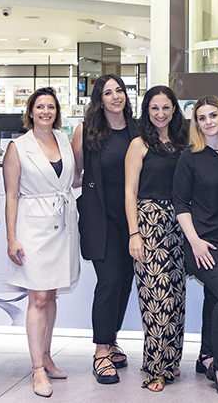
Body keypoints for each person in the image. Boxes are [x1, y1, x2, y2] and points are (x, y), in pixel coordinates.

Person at [3, 87, 79, 398]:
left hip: (62, 226)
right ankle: (37, 369)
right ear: (30, 112)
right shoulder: (18, 147)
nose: (45, 112)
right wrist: (11, 238)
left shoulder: (63, 139)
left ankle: (47, 357)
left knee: (51, 295)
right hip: (32, 229)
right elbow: (11, 195)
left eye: (50, 107)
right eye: (40, 107)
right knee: (38, 298)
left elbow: (72, 179)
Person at [173, 95, 218, 398]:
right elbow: (180, 203)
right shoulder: (191, 157)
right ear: (196, 124)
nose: (208, 122)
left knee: (215, 297)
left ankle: (206, 355)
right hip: (204, 241)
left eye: (213, 115)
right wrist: (195, 242)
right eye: (201, 118)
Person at [72, 74, 139, 385]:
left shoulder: (139, 129)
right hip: (101, 218)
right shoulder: (86, 131)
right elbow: (74, 174)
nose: (116, 97)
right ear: (99, 99)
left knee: (125, 282)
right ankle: (101, 350)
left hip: (134, 219)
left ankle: (111, 340)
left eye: (120, 90)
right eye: (108, 92)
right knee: (110, 281)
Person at [125, 85, 189, 392]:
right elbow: (129, 192)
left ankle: (171, 361)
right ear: (146, 111)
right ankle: (155, 368)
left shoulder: (183, 144)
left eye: (165, 107)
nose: (160, 113)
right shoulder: (138, 144)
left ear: (174, 109)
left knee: (175, 298)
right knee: (155, 299)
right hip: (149, 225)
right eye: (154, 108)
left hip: (180, 224)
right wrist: (134, 233)